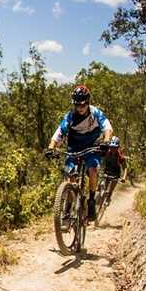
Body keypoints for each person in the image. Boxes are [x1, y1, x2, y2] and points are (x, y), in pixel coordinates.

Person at [45, 84, 114, 221]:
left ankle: (92, 200)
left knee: (93, 170)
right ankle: (67, 209)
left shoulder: (96, 113)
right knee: (71, 176)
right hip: (74, 148)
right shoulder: (70, 116)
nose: (80, 108)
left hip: (91, 148)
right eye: (77, 105)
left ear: (88, 102)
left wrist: (106, 141)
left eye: (83, 104)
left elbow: (108, 128)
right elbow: (59, 133)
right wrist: (51, 147)